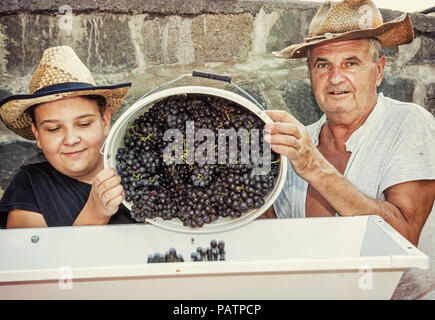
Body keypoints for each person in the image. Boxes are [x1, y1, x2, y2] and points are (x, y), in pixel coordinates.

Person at [262, 0, 435, 299]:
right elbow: (275, 234)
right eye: (322, 65)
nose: (335, 78)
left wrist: (314, 167)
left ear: (378, 71)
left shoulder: (408, 123)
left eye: (350, 63)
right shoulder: (299, 143)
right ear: (310, 74)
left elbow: (404, 236)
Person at [0, 45, 136, 228]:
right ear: (37, 134)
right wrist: (95, 213)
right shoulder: (31, 186)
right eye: (54, 128)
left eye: (84, 124)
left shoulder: (140, 173)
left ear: (104, 123)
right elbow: (33, 256)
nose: (71, 140)